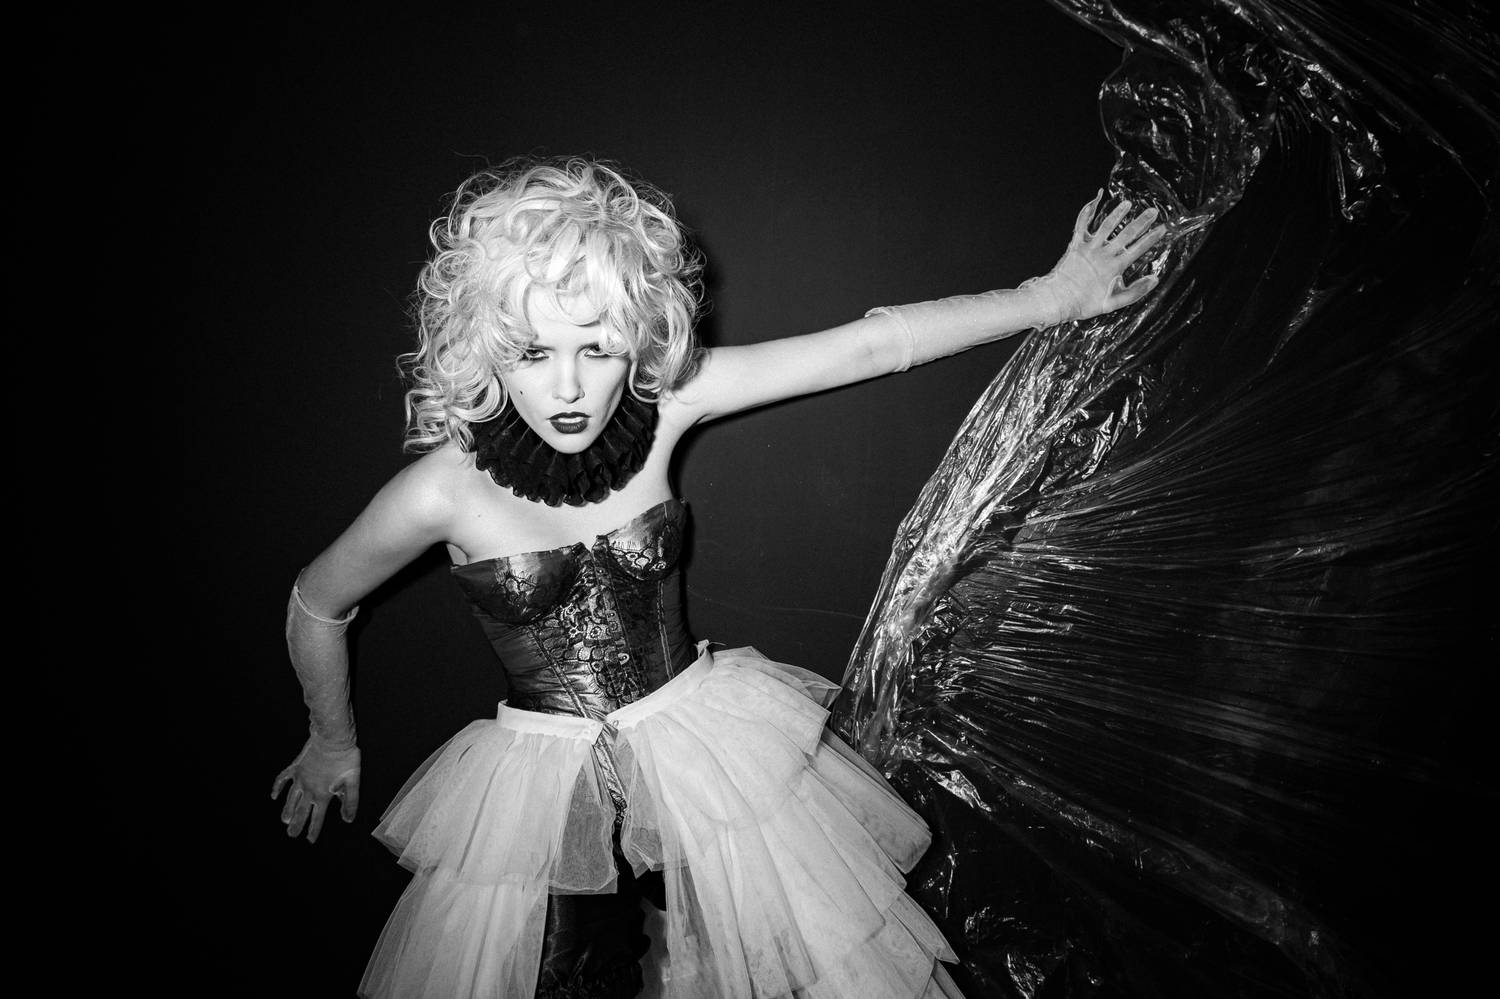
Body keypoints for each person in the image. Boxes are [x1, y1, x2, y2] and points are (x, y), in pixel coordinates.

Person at [271, 156, 1164, 999]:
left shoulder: (666, 407)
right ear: (489, 346)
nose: (569, 387)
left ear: (637, 335)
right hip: (537, 787)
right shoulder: (441, 490)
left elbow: (864, 348)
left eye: (598, 347)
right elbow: (317, 600)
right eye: (534, 353)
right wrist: (332, 738)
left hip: (701, 752)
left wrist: (1051, 296)